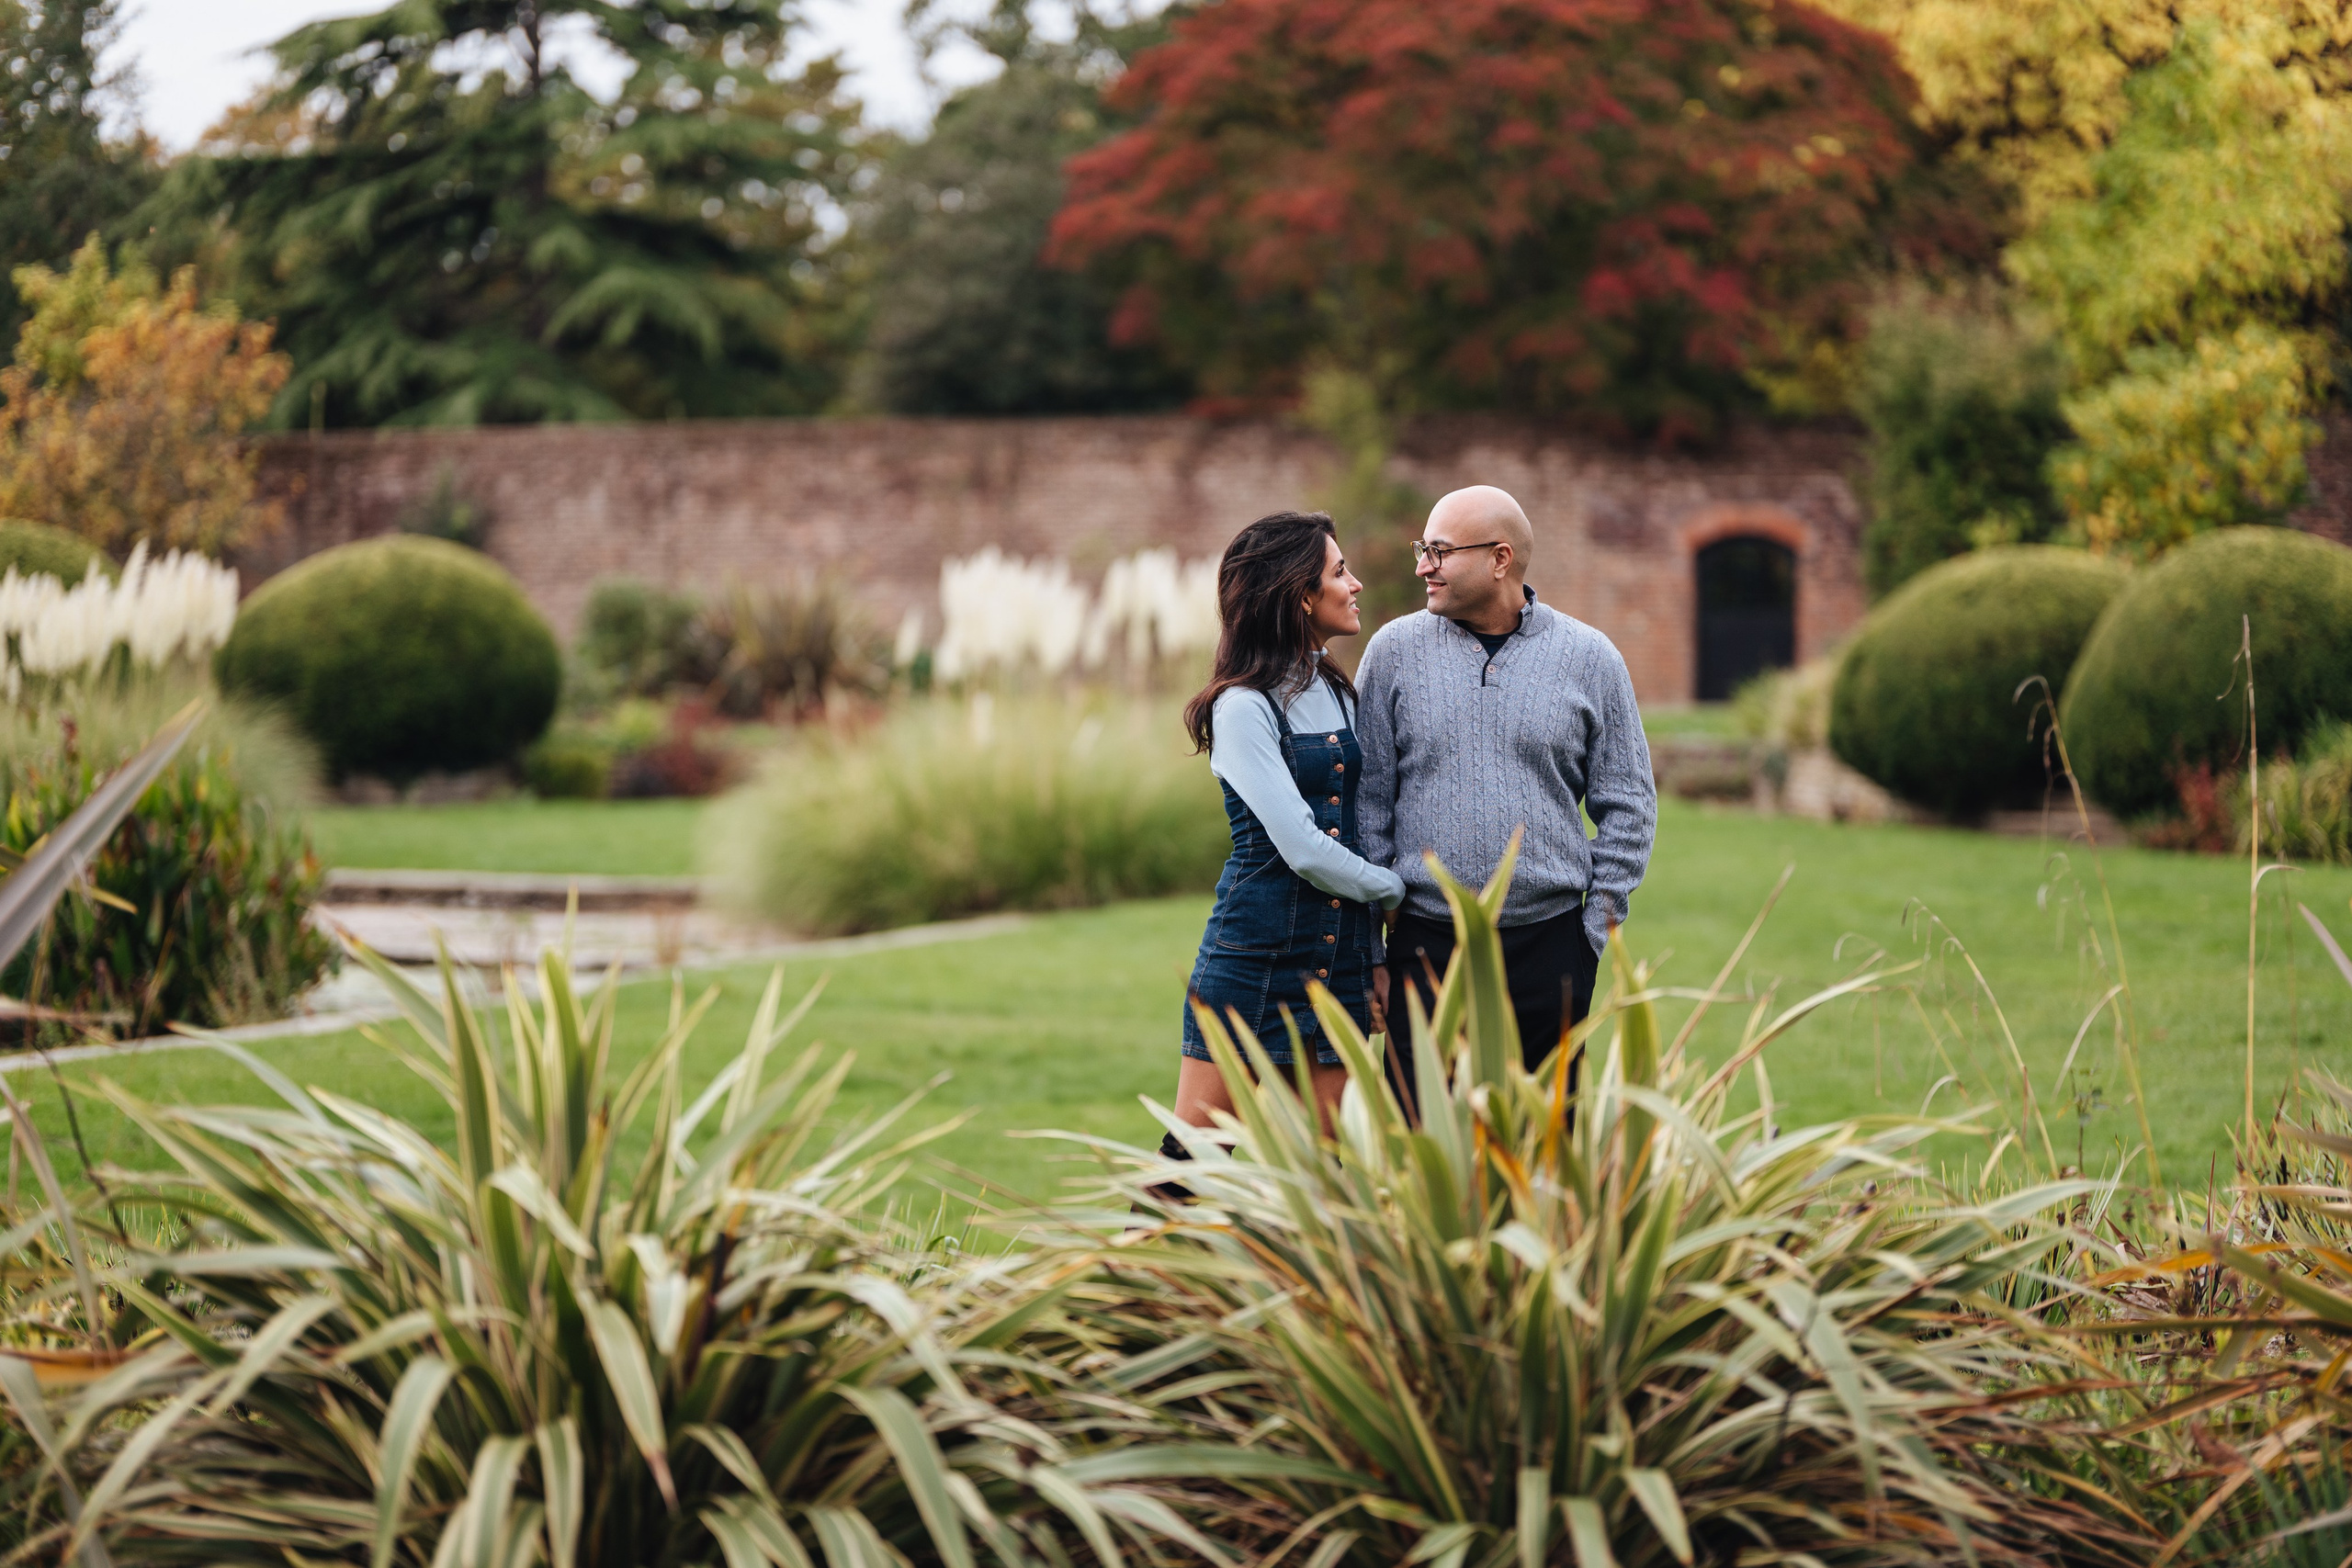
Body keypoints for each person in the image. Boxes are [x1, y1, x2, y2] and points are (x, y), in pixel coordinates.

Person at [1357, 484, 1656, 1098]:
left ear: (1500, 558)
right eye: (1422, 549)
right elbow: (1366, 806)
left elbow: (1629, 807)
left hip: (1550, 949)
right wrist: (1374, 948)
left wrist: (1590, 940)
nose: (1422, 567)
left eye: (1439, 551)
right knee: (1426, 1155)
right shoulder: (1391, 654)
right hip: (1423, 948)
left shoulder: (1591, 659)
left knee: (1542, 1163)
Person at [1164, 510, 1406, 1164]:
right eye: (1338, 571)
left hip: (1341, 964)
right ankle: (1132, 1269)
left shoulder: (1337, 689)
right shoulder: (1242, 706)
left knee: (1334, 1172)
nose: (1355, 585)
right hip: (1254, 960)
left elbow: (1357, 822)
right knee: (1192, 1164)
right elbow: (1302, 846)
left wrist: (1375, 956)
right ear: (1300, 594)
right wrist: (1396, 891)